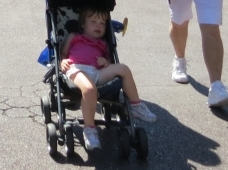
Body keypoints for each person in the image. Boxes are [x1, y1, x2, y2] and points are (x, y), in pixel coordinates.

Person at [60, 8, 157, 152]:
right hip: (76, 69)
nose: (98, 25)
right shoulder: (74, 37)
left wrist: (106, 62)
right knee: (89, 89)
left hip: (97, 72)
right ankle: (90, 130)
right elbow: (63, 53)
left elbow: (110, 60)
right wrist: (63, 61)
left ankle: (136, 106)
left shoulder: (103, 43)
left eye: (102, 23)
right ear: (82, 24)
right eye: (93, 22)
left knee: (123, 68)